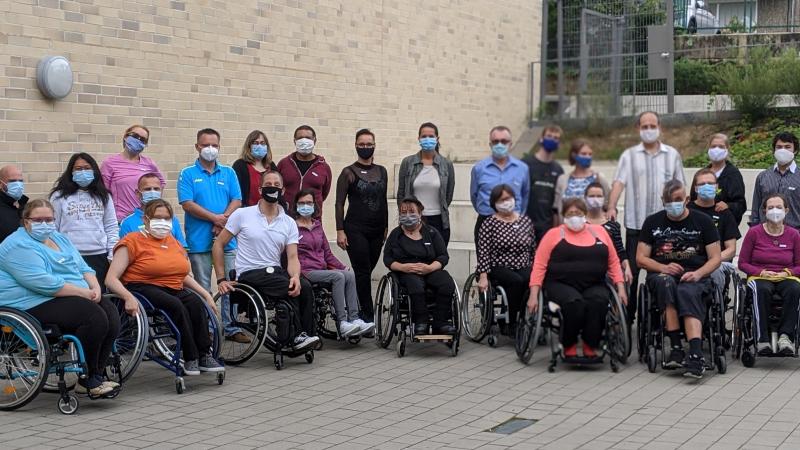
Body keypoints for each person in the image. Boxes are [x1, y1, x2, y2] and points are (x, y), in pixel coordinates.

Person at [0, 199, 121, 396]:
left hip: (67, 293)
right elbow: (43, 283)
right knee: (93, 317)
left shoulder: (59, 238)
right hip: (30, 301)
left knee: (111, 314)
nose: (45, 224)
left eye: (49, 219)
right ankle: (89, 379)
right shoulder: (17, 245)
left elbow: (82, 266)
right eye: (38, 219)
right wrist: (83, 292)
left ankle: (95, 375)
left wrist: (95, 286)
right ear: (26, 221)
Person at [106, 199, 224, 375]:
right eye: (157, 217)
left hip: (173, 286)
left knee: (195, 303)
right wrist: (127, 297)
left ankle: (204, 355)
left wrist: (205, 295)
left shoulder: (172, 242)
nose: (162, 222)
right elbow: (111, 279)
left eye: (166, 218)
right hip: (143, 287)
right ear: (146, 220)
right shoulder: (132, 241)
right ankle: (191, 357)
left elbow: (183, 275)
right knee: (176, 306)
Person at [214, 171, 319, 350]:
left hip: (274, 272)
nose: (272, 188)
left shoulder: (288, 222)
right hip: (249, 274)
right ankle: (295, 337)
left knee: (304, 286)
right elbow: (218, 244)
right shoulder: (242, 214)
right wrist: (221, 279)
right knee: (286, 286)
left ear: (283, 190)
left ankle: (307, 336)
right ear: (260, 188)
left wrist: (295, 276)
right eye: (268, 184)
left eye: (277, 185)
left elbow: (293, 257)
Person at [637, 180, 721, 379]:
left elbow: (716, 258)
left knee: (687, 290)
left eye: (676, 200)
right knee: (666, 284)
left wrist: (698, 273)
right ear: (662, 200)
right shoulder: (652, 222)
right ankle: (675, 346)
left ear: (686, 199)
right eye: (668, 200)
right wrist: (663, 267)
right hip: (662, 273)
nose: (672, 204)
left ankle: (695, 354)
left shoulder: (703, 221)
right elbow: (640, 258)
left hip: (695, 273)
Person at [607, 111, 685, 321]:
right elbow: (618, 183)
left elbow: (680, 188)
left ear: (660, 128)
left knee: (661, 272)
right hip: (636, 225)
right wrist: (611, 206)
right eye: (645, 126)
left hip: (665, 227)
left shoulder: (672, 155)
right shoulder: (629, 156)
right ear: (638, 129)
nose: (649, 130)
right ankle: (627, 315)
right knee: (630, 273)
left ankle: (661, 315)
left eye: (652, 125)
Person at [527, 198, 626, 358]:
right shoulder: (553, 234)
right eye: (570, 213)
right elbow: (539, 266)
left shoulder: (600, 232)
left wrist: (620, 288)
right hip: (561, 284)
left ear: (584, 215)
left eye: (578, 213)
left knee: (599, 302)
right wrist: (533, 295)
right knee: (575, 304)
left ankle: (590, 344)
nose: (574, 216)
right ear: (564, 215)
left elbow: (613, 262)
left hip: (593, 283)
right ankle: (569, 344)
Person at [177, 128, 249, 344]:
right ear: (197, 146)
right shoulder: (187, 173)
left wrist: (223, 220)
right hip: (199, 241)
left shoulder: (228, 172)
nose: (210, 149)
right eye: (205, 144)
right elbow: (187, 203)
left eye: (214, 145)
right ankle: (206, 328)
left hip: (227, 239)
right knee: (202, 286)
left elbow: (237, 200)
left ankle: (230, 326)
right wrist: (215, 219)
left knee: (230, 284)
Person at [295, 190, 375, 337]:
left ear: (314, 205)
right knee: (338, 277)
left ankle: (355, 318)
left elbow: (327, 253)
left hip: (322, 269)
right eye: (301, 203)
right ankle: (342, 321)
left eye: (309, 203)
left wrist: (343, 267)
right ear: (296, 205)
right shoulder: (292, 227)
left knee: (349, 274)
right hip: (305, 271)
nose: (305, 206)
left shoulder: (317, 226)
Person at [334, 128, 388, 323]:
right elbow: (339, 202)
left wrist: (385, 228)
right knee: (363, 270)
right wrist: (340, 230)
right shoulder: (348, 172)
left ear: (374, 146)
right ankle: (367, 315)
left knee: (366, 271)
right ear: (356, 145)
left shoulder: (382, 171)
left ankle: (354, 303)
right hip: (355, 229)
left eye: (369, 144)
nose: (365, 147)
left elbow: (382, 200)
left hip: (377, 230)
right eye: (362, 144)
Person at [383, 197, 457, 335]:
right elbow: (387, 259)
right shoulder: (396, 235)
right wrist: (403, 267)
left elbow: (443, 256)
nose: (407, 216)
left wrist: (430, 268)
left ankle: (440, 322)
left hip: (429, 269)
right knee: (415, 284)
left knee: (446, 283)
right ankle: (421, 321)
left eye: (412, 212)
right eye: (403, 212)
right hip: (406, 272)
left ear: (420, 213)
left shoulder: (431, 232)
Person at [738, 193, 800, 356]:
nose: (775, 211)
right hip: (760, 276)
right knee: (762, 290)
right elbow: (742, 263)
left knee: (795, 288)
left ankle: (786, 337)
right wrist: (761, 272)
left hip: (786, 276)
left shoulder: (794, 234)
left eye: (779, 207)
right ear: (764, 211)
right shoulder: (754, 233)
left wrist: (788, 272)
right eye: (770, 207)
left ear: (786, 210)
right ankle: (762, 339)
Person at [50, 153, 119, 292]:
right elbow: (52, 229)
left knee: (98, 296)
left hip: (99, 256)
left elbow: (111, 226)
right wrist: (57, 254)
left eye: (87, 168)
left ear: (94, 170)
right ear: (71, 172)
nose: (83, 172)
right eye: (78, 169)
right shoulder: (59, 196)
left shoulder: (104, 196)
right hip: (70, 256)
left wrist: (112, 254)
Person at [476, 184, 536, 333]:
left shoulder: (525, 221)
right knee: (516, 281)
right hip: (498, 265)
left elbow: (533, 248)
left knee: (531, 280)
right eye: (502, 200)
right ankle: (511, 321)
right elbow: (483, 251)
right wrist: (483, 276)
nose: (506, 202)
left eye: (508, 198)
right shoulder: (489, 223)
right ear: (494, 203)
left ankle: (522, 317)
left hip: (523, 263)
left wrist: (536, 267)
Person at [470, 126, 530, 245]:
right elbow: (474, 195)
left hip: (514, 223)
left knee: (513, 262)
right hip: (486, 222)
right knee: (485, 262)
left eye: (504, 141)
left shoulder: (522, 169)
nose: (500, 145)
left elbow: (525, 195)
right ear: (490, 144)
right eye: (496, 141)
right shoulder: (479, 169)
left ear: (510, 144)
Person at [396, 122, 455, 244]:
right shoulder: (408, 162)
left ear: (437, 139)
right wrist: (406, 215)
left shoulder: (446, 164)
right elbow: (401, 192)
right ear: (418, 139)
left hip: (439, 221)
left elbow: (448, 194)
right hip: (413, 219)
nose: (427, 139)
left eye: (431, 136)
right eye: (424, 136)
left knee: (437, 259)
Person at [688, 169, 740, 301]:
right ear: (695, 188)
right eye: (702, 184)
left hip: (718, 263)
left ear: (717, 187)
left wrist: (711, 261)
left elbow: (731, 249)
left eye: (710, 183)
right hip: (690, 260)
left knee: (714, 271)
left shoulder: (724, 213)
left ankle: (713, 305)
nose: (706, 186)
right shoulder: (686, 211)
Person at [101, 124, 165, 222]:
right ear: (126, 137)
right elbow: (103, 193)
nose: (138, 140)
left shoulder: (149, 163)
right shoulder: (109, 163)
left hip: (146, 219)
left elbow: (161, 184)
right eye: (135, 136)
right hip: (120, 220)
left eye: (143, 139)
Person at [688, 134, 747, 225]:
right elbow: (693, 199)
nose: (716, 149)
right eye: (713, 146)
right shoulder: (700, 174)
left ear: (727, 149)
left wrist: (728, 206)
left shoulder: (733, 174)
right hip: (699, 223)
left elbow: (740, 204)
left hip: (722, 225)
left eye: (721, 147)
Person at [119, 173, 188, 247]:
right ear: (138, 193)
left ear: (161, 191)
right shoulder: (127, 223)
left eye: (156, 189)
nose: (152, 192)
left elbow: (182, 247)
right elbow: (126, 251)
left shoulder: (172, 219)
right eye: (147, 189)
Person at [277, 125, 332, 215]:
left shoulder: (324, 167)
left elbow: (324, 193)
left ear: (314, 141)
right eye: (300, 138)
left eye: (308, 138)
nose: (304, 141)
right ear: (294, 141)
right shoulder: (284, 164)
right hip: (286, 218)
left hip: (313, 221)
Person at [584, 182, 633, 284]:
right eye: (592, 196)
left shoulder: (613, 226)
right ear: (585, 198)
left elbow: (620, 251)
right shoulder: (580, 224)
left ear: (604, 199)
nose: (595, 199)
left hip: (607, 270)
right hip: (584, 269)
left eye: (599, 196)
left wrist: (627, 267)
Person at [751, 131, 800, 229]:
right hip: (765, 234)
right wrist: (754, 228)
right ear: (774, 150)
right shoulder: (763, 177)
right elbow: (756, 208)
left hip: (794, 234)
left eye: (787, 147)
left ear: (795, 150)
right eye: (779, 147)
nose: (783, 150)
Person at [524, 125, 564, 242]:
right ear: (541, 138)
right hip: (525, 225)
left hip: (547, 227)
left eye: (556, 138)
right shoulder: (526, 164)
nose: (552, 140)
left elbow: (557, 203)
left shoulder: (558, 169)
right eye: (549, 136)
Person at [554, 139, 609, 220]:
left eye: (590, 154)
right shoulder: (562, 180)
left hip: (592, 228)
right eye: (583, 154)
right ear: (574, 155)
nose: (587, 157)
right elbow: (556, 209)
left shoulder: (599, 178)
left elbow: (607, 205)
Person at [232, 130, 278, 207]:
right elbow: (236, 192)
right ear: (249, 146)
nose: (259, 146)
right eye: (255, 143)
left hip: (269, 210)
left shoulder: (271, 165)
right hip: (247, 211)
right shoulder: (240, 165)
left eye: (262, 143)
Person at [0, 165, 28, 243]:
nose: (18, 185)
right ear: (1, 183)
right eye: (12, 181)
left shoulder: (25, 206)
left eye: (21, 181)